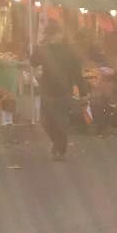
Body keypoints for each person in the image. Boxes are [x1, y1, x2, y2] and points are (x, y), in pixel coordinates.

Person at [32, 22, 84, 161]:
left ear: (60, 35)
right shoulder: (44, 50)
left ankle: (60, 149)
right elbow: (33, 62)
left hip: (63, 92)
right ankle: (57, 143)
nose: (52, 37)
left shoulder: (69, 51)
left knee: (61, 122)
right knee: (45, 121)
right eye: (49, 35)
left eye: (54, 34)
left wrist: (83, 91)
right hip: (47, 90)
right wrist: (39, 46)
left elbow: (77, 73)